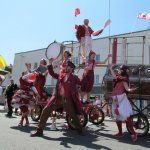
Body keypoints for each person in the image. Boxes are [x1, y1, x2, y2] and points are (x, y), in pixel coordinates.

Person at [30, 60, 83, 137]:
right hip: (57, 98)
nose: (65, 67)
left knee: (73, 115)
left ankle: (80, 129)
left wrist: (85, 73)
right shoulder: (61, 75)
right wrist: (50, 64)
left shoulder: (74, 77)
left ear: (71, 68)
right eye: (65, 66)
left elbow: (81, 83)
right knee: (45, 110)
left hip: (68, 99)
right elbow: (52, 73)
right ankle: (39, 131)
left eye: (67, 66)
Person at [109, 64, 138, 142]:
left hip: (121, 99)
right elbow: (114, 76)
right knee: (117, 116)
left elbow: (127, 89)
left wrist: (131, 90)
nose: (119, 70)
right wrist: (111, 68)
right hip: (115, 98)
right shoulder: (118, 78)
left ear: (123, 70)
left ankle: (134, 133)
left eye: (120, 69)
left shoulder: (124, 79)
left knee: (126, 117)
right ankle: (120, 133)